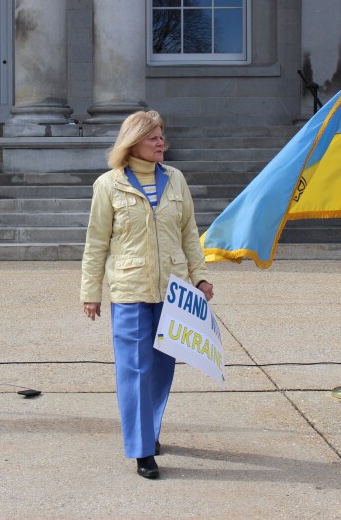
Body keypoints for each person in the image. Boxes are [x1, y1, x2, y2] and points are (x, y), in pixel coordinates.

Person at [80, 110, 213, 479]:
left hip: (172, 289)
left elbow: (189, 233)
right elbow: (95, 244)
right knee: (134, 369)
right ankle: (141, 450)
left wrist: (200, 278)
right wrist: (91, 292)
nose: (161, 144)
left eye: (161, 137)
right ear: (133, 142)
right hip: (129, 289)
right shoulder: (108, 185)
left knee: (160, 368)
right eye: (153, 138)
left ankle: (150, 431)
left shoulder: (175, 179)